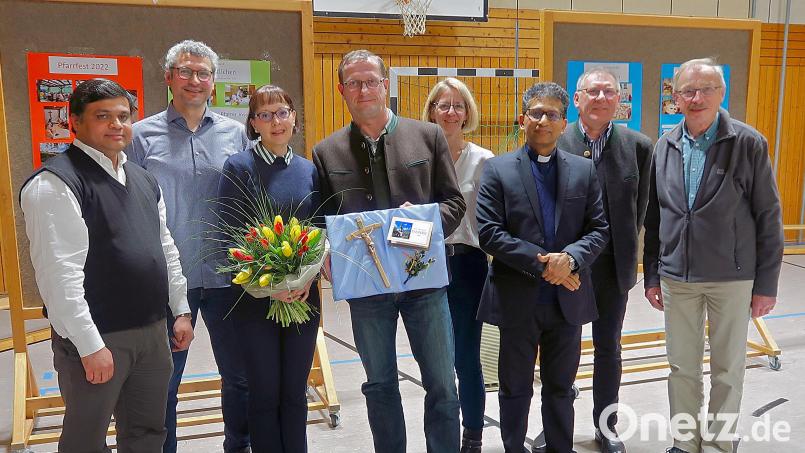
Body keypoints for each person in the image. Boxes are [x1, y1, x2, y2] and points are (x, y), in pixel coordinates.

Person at [20, 78, 194, 452]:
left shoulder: (144, 179)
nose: (117, 124)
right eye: (103, 116)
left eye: (123, 116)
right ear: (74, 122)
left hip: (152, 330)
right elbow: (58, 277)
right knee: (86, 440)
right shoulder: (54, 184)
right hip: (97, 336)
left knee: (148, 434)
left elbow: (166, 249)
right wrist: (88, 345)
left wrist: (180, 310)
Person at [312, 49, 466, 453]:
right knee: (379, 385)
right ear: (342, 90)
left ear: (386, 85)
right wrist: (326, 255)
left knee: (441, 386)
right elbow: (320, 220)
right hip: (367, 292)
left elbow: (454, 205)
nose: (364, 89)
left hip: (424, 284)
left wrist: (420, 223)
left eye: (371, 81)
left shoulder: (427, 135)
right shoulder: (326, 152)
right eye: (354, 83)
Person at [643, 58, 784, 453]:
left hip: (732, 278)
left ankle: (722, 443)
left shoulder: (748, 142)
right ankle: (684, 443)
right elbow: (656, 218)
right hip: (677, 280)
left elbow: (769, 217)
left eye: (706, 89)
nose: (696, 97)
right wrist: (652, 274)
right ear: (675, 97)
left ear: (722, 94)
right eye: (688, 90)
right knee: (682, 369)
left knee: (727, 370)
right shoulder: (665, 145)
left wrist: (766, 284)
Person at [125, 40, 251, 453]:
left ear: (213, 82)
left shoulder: (235, 134)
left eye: (203, 73)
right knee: (164, 382)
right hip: (167, 282)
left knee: (239, 378)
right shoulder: (141, 137)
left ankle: (240, 446)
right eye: (185, 72)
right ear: (169, 78)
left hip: (228, 276)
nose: (194, 80)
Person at [476, 82, 609, 453]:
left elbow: (599, 229)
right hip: (518, 298)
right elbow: (489, 232)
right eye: (536, 113)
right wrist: (547, 265)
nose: (543, 120)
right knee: (514, 388)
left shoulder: (584, 171)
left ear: (564, 123)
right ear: (523, 119)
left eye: (552, 114)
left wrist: (572, 260)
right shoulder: (498, 170)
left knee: (560, 388)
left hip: (566, 301)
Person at [552, 67, 653, 453]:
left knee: (608, 348)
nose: (600, 97)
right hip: (567, 266)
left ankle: (607, 428)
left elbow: (640, 207)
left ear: (619, 100)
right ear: (577, 99)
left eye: (608, 91)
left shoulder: (639, 146)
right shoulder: (556, 143)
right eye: (591, 91)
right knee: (564, 347)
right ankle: (556, 425)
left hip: (613, 267)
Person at [217, 84, 321, 453]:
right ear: (253, 123)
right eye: (265, 114)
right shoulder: (239, 166)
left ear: (294, 118)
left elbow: (319, 231)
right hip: (253, 298)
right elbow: (229, 235)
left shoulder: (309, 169)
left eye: (282, 112)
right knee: (264, 393)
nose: (275, 121)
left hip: (303, 296)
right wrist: (268, 285)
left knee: (294, 393)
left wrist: (305, 278)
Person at [422, 77, 494, 453]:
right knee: (435, 360)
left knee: (466, 356)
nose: (450, 112)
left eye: (458, 105)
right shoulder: (417, 156)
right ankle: (441, 434)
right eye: (443, 105)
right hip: (427, 265)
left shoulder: (484, 160)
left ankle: (474, 433)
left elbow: (493, 223)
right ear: (431, 110)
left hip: (468, 265)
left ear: (468, 113)